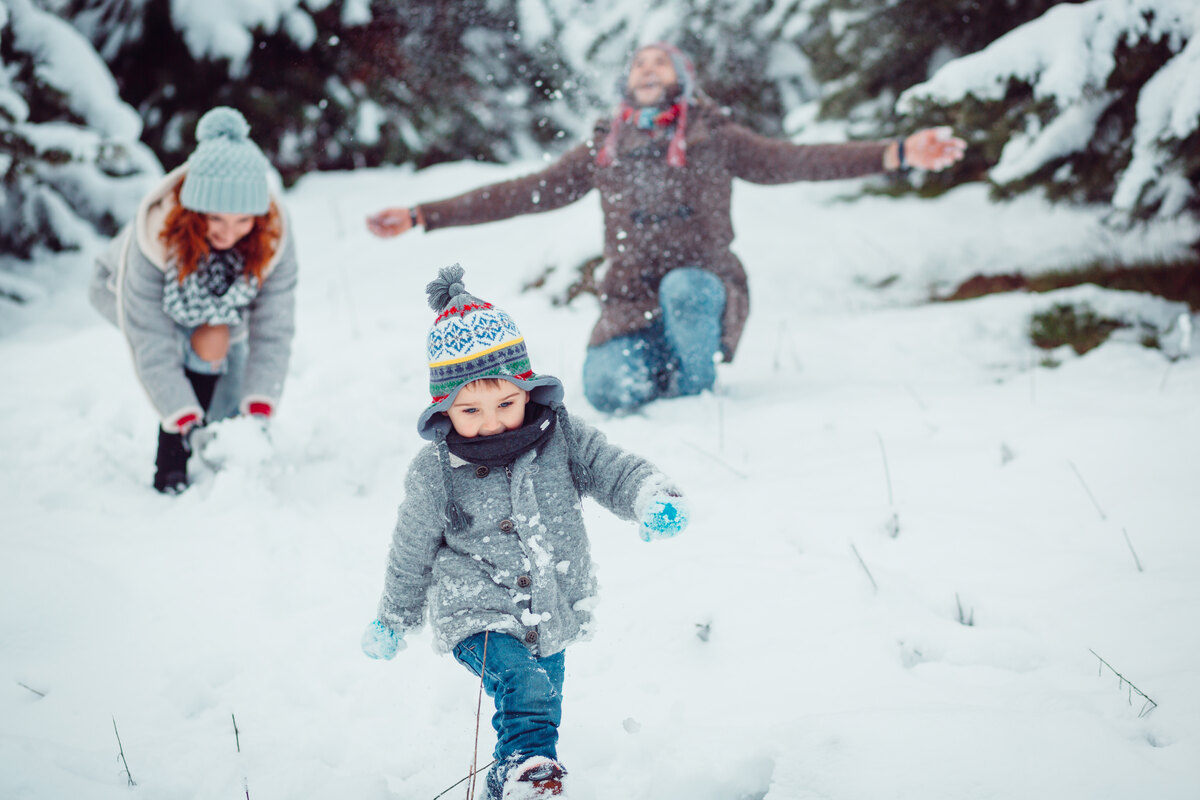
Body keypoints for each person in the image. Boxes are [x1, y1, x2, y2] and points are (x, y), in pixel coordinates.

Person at [366, 42, 967, 413]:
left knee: (687, 289)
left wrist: (897, 152)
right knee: (604, 391)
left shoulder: (715, 137)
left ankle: (694, 397)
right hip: (630, 300)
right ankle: (667, 364)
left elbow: (798, 161)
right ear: (627, 83)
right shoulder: (605, 146)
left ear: (681, 78)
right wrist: (426, 215)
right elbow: (523, 193)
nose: (648, 68)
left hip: (702, 288)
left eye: (661, 62)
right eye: (639, 63)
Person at [361, 265, 689, 800]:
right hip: (474, 607)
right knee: (524, 684)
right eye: (470, 410)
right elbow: (412, 548)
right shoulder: (436, 470)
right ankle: (527, 773)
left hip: (552, 601)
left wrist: (649, 496)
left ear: (527, 391)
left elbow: (610, 468)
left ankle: (514, 781)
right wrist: (395, 617)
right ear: (443, 408)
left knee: (542, 707)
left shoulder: (559, 436)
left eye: (505, 404)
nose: (491, 422)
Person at [90, 106, 298, 493]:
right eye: (216, 219)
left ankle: (207, 413)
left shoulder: (273, 236)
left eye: (242, 221)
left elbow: (274, 327)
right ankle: (170, 460)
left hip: (215, 305)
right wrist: (182, 416)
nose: (229, 233)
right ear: (193, 210)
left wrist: (260, 406)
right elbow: (150, 338)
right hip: (119, 291)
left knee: (228, 416)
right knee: (206, 347)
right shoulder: (156, 234)